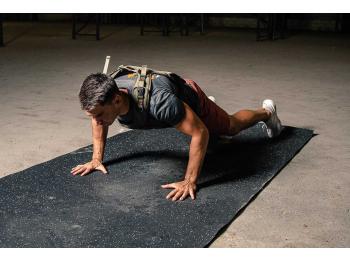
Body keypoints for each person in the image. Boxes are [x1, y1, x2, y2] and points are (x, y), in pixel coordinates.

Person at [71, 68, 282, 201]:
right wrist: (96, 159)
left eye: (99, 115)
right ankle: (199, 113)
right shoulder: (105, 97)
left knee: (229, 128)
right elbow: (96, 117)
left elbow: (200, 133)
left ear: (117, 100)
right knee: (211, 138)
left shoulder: (160, 103)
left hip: (190, 99)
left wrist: (189, 181)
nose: (96, 120)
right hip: (175, 102)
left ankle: (267, 112)